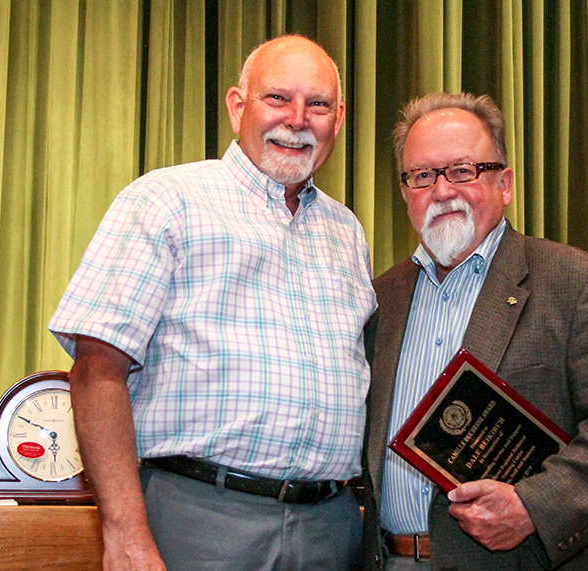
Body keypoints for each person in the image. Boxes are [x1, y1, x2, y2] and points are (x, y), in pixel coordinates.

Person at [49, 35, 376, 571]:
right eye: (277, 98)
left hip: (331, 529)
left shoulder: (347, 233)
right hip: (197, 520)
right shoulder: (165, 201)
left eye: (317, 104)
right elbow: (95, 372)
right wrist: (125, 530)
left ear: (337, 120)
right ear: (236, 106)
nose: (297, 119)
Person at [361, 92, 588, 571]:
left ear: (505, 183)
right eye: (422, 176)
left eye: (462, 170)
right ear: (405, 193)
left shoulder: (578, 283)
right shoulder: (380, 298)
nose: (442, 191)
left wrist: (533, 508)